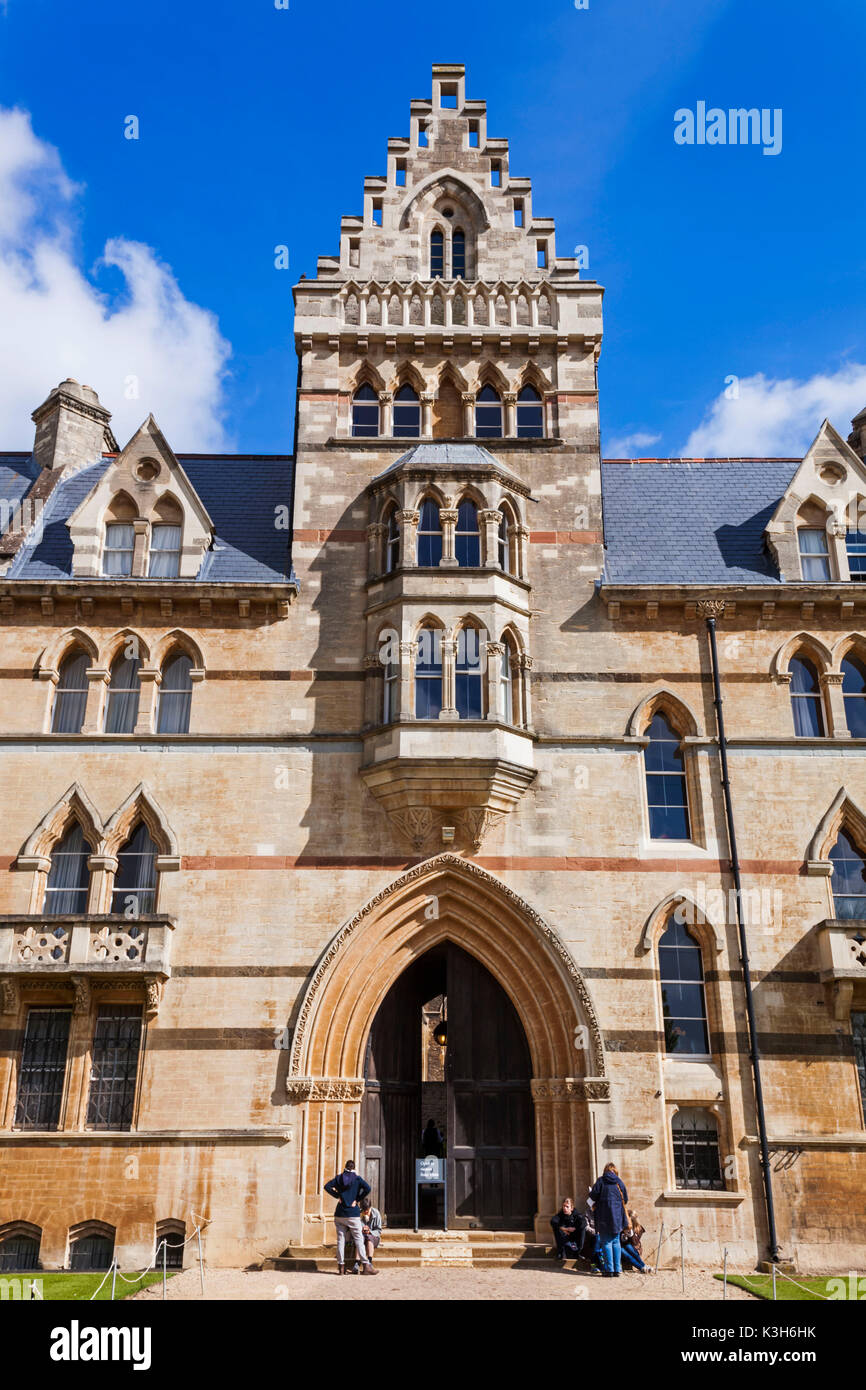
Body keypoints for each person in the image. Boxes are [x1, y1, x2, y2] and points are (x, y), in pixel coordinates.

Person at [323, 1159, 379, 1275]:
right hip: (352, 1214)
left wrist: (338, 1195)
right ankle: (366, 1266)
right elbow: (368, 1188)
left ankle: (341, 1267)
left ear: (345, 1167)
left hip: (340, 1213)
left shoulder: (339, 1178)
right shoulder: (357, 1179)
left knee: (340, 1240)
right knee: (359, 1239)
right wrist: (357, 1199)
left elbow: (327, 1186)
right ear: (354, 1168)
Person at [588, 1162, 630, 1277]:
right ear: (615, 1171)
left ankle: (609, 1270)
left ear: (605, 1170)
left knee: (606, 1242)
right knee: (616, 1242)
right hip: (617, 1218)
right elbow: (625, 1199)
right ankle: (617, 1269)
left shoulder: (601, 1181)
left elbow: (592, 1197)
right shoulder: (619, 1182)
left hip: (603, 1217)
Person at [352, 1195, 383, 1273]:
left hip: (373, 1237)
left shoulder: (376, 1213)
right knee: (359, 1239)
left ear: (370, 1207)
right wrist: (362, 1229)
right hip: (362, 1236)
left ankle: (369, 1262)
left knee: (369, 1238)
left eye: (367, 1210)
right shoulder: (358, 1214)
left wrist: (370, 1231)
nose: (366, 1212)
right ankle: (357, 1263)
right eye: (364, 1210)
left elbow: (379, 1231)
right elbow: (354, 1228)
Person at [550, 1197, 587, 1262]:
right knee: (556, 1228)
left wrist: (575, 1228)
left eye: (567, 1206)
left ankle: (579, 1252)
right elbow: (553, 1221)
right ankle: (560, 1253)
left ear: (571, 1208)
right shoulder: (561, 1214)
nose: (565, 1208)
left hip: (575, 1235)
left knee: (583, 1229)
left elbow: (584, 1223)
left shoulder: (576, 1214)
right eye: (564, 1206)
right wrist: (564, 1229)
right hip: (565, 1236)